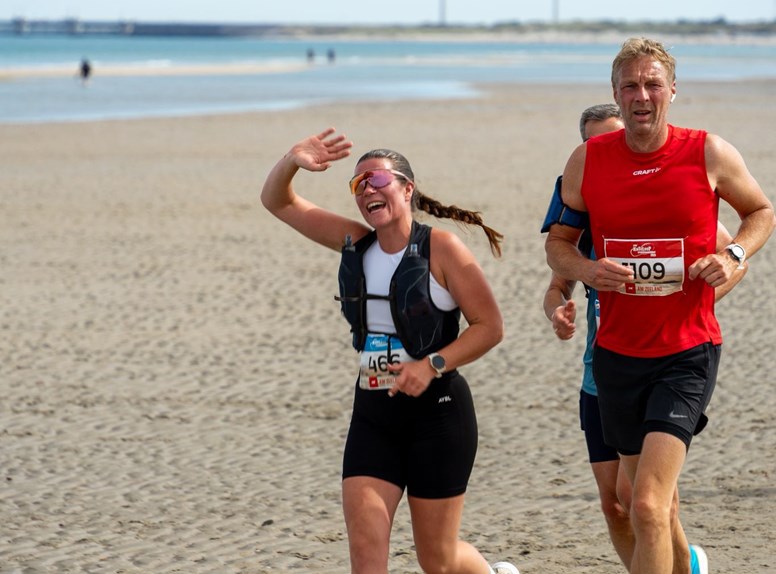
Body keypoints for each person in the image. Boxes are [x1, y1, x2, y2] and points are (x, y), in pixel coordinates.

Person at [545, 37, 775, 574]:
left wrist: (734, 253)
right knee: (647, 508)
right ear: (616, 94)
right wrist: (585, 271)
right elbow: (558, 244)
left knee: (647, 503)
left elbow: (761, 211)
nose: (641, 95)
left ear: (672, 90)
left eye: (652, 84)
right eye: (630, 85)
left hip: (686, 352)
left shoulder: (708, 151)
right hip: (617, 356)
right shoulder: (586, 160)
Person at [261, 127, 519, 574]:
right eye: (359, 184)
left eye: (378, 180)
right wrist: (291, 160)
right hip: (374, 415)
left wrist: (433, 364)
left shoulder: (440, 248)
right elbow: (278, 201)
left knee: (436, 560)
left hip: (437, 415)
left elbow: (489, 327)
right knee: (366, 553)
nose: (367, 190)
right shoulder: (356, 243)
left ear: (406, 188)